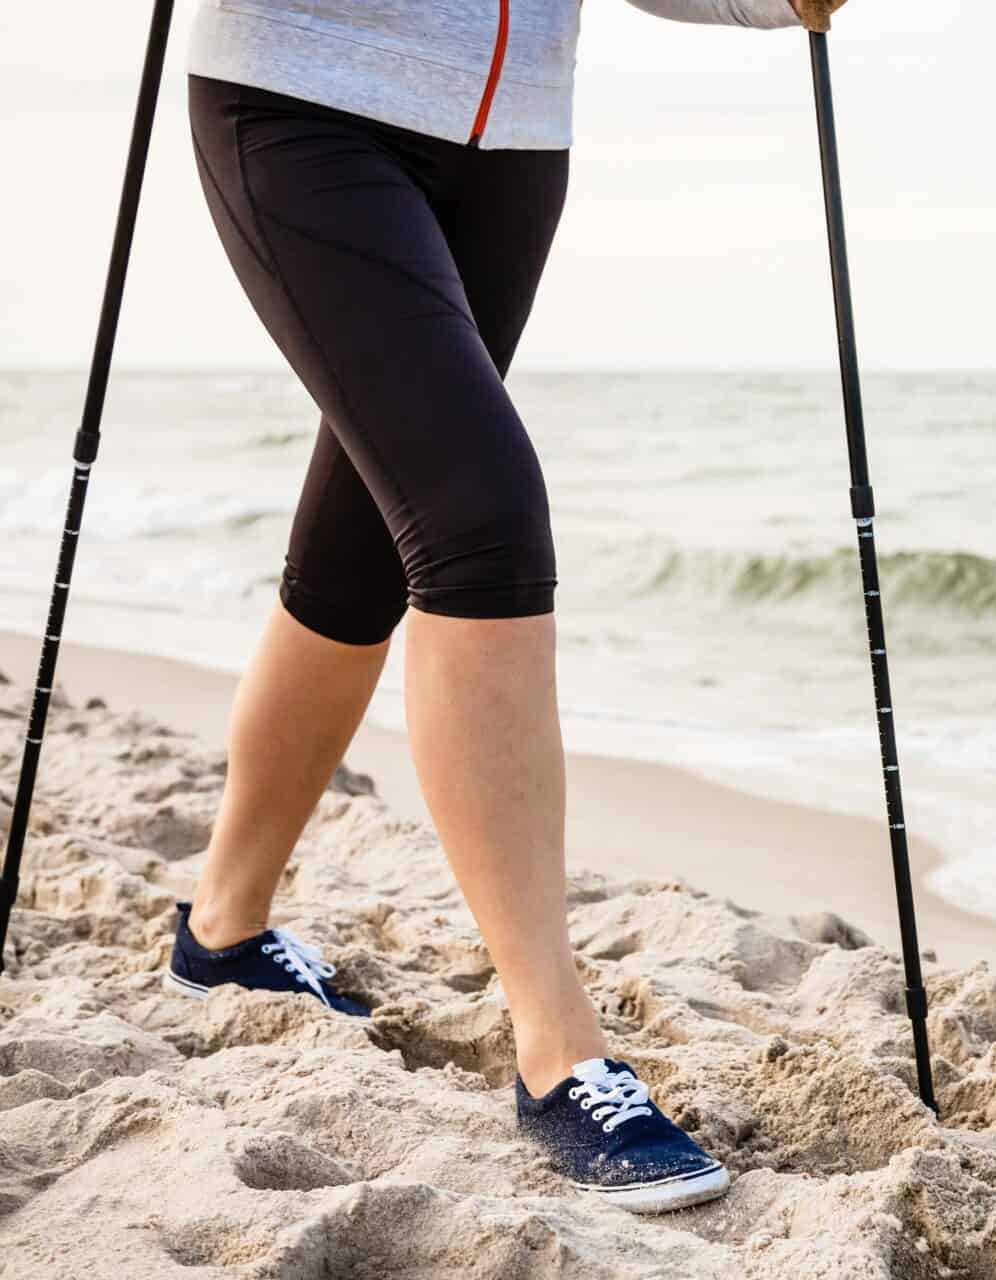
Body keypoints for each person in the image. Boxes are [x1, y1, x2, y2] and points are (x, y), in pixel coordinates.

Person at [163, 0, 849, 1215]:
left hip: (512, 140)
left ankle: (224, 926)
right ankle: (558, 1047)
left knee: (366, 543)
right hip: (302, 96)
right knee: (477, 516)